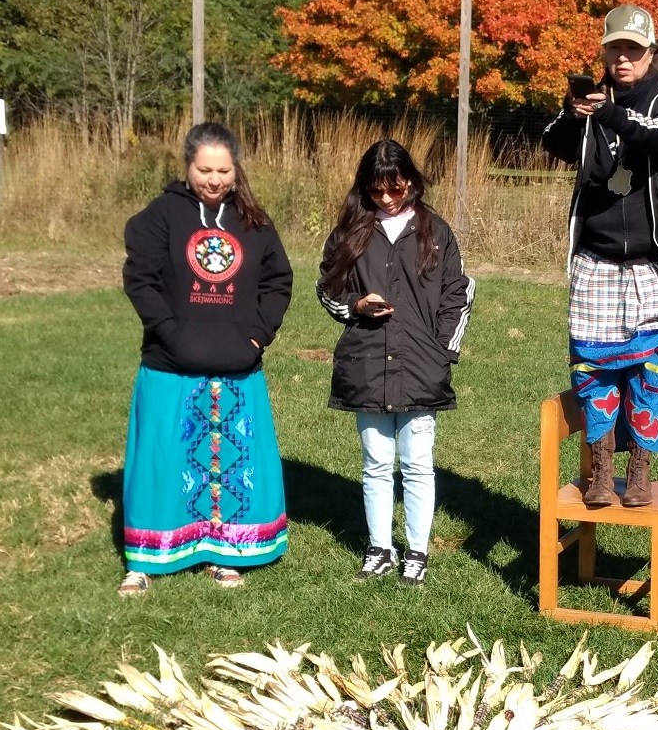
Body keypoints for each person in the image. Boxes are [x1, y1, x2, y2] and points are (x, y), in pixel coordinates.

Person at [118, 122, 293, 594]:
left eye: (223, 170)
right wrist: (172, 334)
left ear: (235, 169)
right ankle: (146, 558)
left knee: (231, 462)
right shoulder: (161, 216)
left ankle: (225, 550)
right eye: (204, 170)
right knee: (164, 459)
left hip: (237, 365)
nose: (214, 180)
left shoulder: (253, 220)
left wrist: (257, 337)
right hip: (171, 366)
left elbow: (278, 281)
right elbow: (142, 281)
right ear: (187, 166)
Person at [541, 4, 658, 509]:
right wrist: (574, 114)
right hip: (598, 259)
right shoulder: (591, 100)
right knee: (594, 367)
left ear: (651, 52)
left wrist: (608, 113)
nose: (624, 58)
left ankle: (640, 469)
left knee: (655, 364)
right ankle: (600, 468)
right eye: (616, 48)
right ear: (605, 51)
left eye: (634, 49)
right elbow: (553, 144)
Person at [317, 139, 474, 587]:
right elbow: (326, 290)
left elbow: (457, 295)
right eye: (377, 191)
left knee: (418, 463)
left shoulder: (436, 231)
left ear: (411, 182)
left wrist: (443, 351)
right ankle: (379, 548)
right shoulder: (351, 230)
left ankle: (417, 552)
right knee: (376, 462)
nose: (387, 199)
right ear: (365, 188)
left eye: (396, 189)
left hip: (421, 366)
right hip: (366, 363)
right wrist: (356, 307)